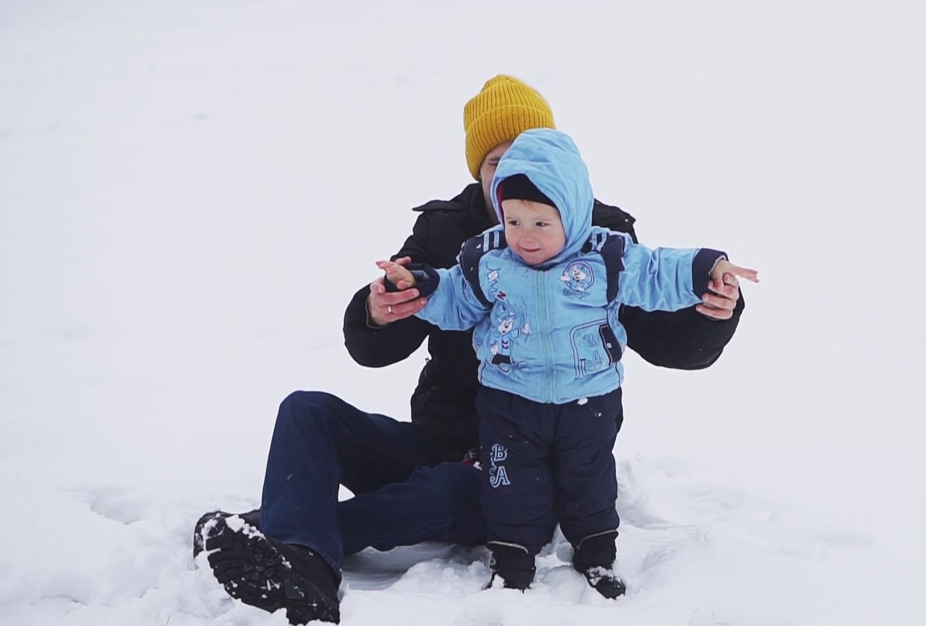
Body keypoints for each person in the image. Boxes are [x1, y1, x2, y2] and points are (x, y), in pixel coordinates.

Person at [192, 75, 747, 625]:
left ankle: (292, 538)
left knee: (458, 490)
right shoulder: (447, 232)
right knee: (306, 410)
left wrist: (714, 313)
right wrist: (376, 309)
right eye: (494, 162)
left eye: (527, 154)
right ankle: (298, 549)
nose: (512, 173)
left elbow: (672, 344)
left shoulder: (598, 238)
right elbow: (379, 344)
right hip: (437, 442)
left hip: (519, 470)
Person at [377, 128, 758, 598]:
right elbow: (454, 296)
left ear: (572, 213)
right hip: (509, 399)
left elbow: (658, 271)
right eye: (514, 221)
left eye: (541, 224)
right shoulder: (488, 259)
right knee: (511, 486)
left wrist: (708, 269)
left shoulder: (607, 256)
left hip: (589, 398)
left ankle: (595, 555)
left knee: (589, 479)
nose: (525, 237)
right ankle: (512, 563)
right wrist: (418, 284)